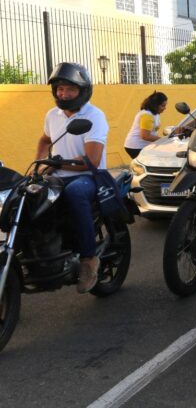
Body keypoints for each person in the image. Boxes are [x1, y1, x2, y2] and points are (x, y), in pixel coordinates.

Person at [36, 62, 109, 294]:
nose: (63, 94)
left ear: (83, 90)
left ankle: (89, 260)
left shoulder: (94, 116)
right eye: (59, 89)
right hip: (58, 175)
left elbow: (92, 161)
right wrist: (38, 168)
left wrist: (57, 163)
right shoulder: (52, 115)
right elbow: (45, 140)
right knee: (29, 195)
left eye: (70, 89)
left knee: (75, 192)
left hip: (90, 177)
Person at [124, 91, 168, 159]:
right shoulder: (147, 115)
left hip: (144, 145)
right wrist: (163, 140)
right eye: (163, 106)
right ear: (155, 105)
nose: (165, 108)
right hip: (136, 146)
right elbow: (145, 136)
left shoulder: (156, 114)